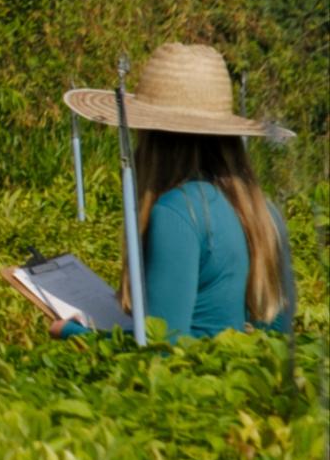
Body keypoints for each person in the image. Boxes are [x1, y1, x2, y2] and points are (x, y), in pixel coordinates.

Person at [57, 42, 296, 342]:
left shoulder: (177, 212)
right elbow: (279, 335)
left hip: (194, 373)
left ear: (151, 135)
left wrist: (72, 333)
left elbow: (163, 347)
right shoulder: (265, 212)